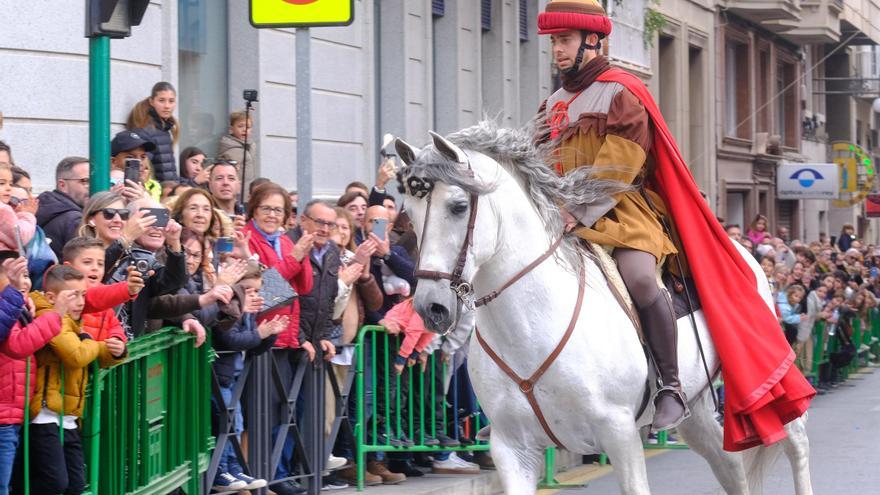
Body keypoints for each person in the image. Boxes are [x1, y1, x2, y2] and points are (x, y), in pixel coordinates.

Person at [535, 0, 812, 450]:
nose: (557, 50)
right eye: (554, 41)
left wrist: (577, 211)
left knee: (642, 280)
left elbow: (620, 165)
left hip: (619, 211)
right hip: (562, 215)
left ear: (593, 40)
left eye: (564, 40)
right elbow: (538, 160)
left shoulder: (621, 90)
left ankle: (670, 384)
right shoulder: (553, 103)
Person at [27, 265, 126, 495]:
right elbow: (76, 355)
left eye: (83, 295)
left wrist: (117, 351)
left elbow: (89, 354)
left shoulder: (74, 320)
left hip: (68, 415)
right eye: (74, 295)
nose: (81, 302)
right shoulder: (49, 316)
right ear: (52, 297)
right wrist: (96, 343)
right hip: (45, 414)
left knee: (76, 484)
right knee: (53, 482)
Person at [242, 183, 314, 495]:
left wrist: (300, 257)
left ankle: (272, 475)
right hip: (259, 335)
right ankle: (256, 478)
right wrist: (294, 260)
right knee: (255, 414)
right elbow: (266, 292)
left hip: (285, 336)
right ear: (254, 210)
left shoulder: (284, 241)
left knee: (277, 412)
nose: (272, 215)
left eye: (279, 210)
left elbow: (303, 286)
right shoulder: (248, 240)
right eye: (266, 209)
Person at [0, 256, 63, 495]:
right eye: (14, 275)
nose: (22, 281)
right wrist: (56, 315)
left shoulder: (23, 307)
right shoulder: (15, 305)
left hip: (14, 415)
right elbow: (16, 346)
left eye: (25, 275)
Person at [37, 157, 91, 260]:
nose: (91, 186)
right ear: (62, 185)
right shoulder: (75, 219)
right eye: (85, 181)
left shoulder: (46, 207)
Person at [126, 81, 180, 182]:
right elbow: (142, 169)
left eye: (171, 101)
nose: (167, 106)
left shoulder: (165, 129)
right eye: (161, 100)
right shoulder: (148, 131)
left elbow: (169, 173)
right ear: (151, 102)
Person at [110, 129, 162, 201]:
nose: (140, 162)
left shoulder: (148, 188)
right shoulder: (104, 187)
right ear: (113, 162)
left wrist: (143, 200)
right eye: (130, 157)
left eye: (143, 157)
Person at [217, 110, 257, 189]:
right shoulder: (231, 149)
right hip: (237, 193)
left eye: (248, 127)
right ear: (231, 129)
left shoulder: (250, 146)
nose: (244, 129)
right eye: (240, 126)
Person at [208, 160, 245, 229]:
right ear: (210, 185)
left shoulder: (246, 217)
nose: (225, 183)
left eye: (231, 178)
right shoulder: (205, 217)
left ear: (239, 186)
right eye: (219, 178)